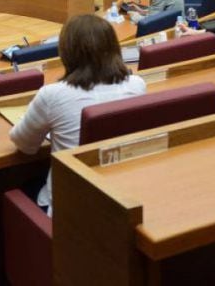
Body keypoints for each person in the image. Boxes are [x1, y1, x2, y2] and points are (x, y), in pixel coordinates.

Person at [9, 14, 146, 213]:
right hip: (121, 197)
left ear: (66, 52)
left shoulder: (52, 94)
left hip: (71, 212)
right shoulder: (137, 85)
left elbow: (25, 145)